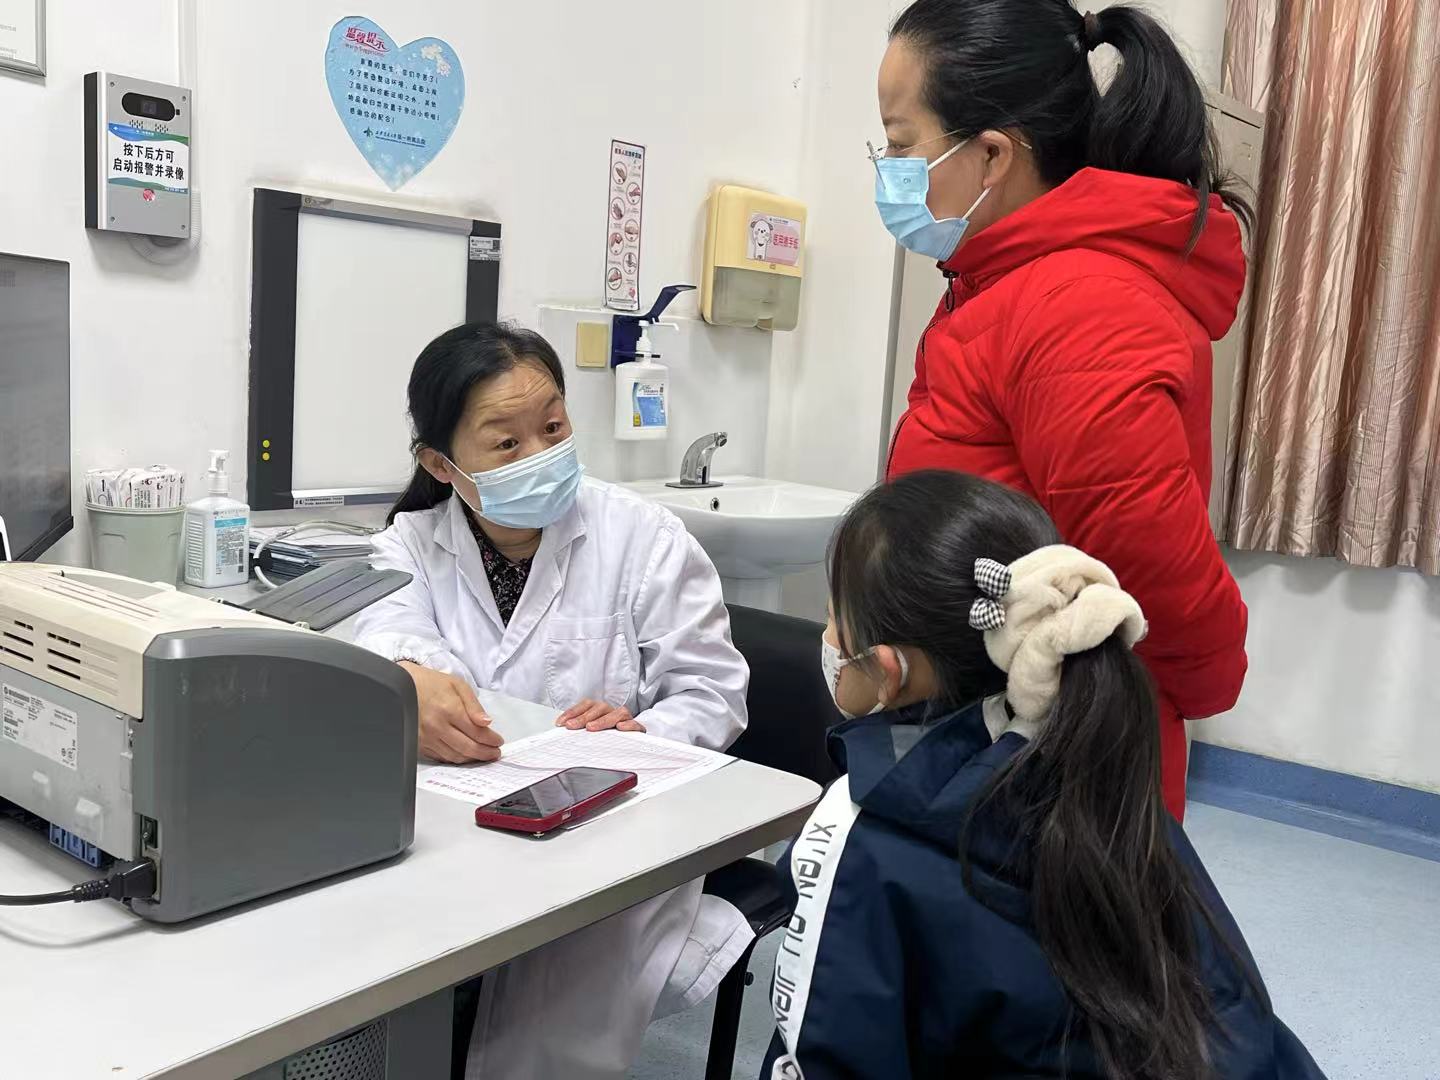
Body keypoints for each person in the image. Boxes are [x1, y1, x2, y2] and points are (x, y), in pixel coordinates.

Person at [762, 470, 1323, 1079]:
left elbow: (824, 1053)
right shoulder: (1099, 761)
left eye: (833, 621)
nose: (827, 638)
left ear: (887, 670)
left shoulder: (861, 832)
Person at [876, 0, 1251, 818]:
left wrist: (1194, 688)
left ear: (992, 154)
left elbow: (1160, 579)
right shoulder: (998, 284)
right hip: (997, 736)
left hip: (1061, 762)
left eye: (901, 145)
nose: (889, 169)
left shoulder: (1078, 308)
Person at [351, 322, 753, 1080]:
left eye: (553, 428)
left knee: (548, 1009)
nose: (539, 455)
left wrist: (640, 733)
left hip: (609, 824)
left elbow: (712, 690)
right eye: (506, 443)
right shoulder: (408, 546)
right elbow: (385, 626)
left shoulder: (642, 536)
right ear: (440, 464)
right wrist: (411, 678)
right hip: (460, 820)